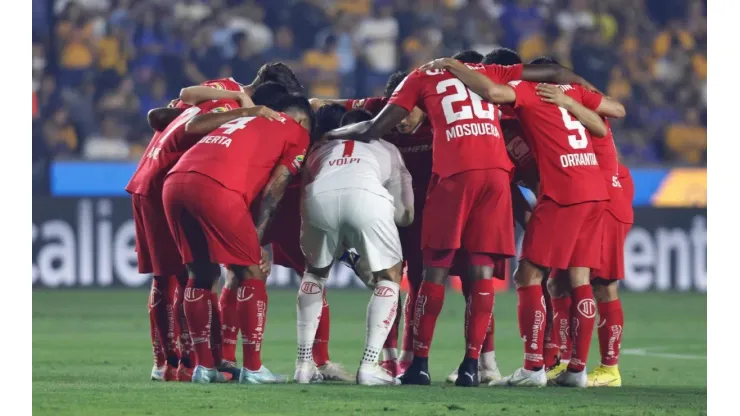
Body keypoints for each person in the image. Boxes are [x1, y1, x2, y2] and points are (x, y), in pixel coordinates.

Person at [325, 54, 594, 387]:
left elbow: (372, 128)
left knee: (434, 269)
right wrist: (585, 92)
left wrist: (330, 136)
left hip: (455, 174)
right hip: (496, 174)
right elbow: (553, 70)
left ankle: (419, 364)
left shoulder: (419, 78)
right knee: (481, 274)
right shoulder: (487, 71)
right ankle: (472, 366)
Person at [426, 55, 624, 387]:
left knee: (528, 274)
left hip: (564, 190)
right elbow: (609, 119)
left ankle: (533, 368)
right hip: (595, 190)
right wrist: (569, 101)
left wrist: (454, 67)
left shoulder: (526, 90)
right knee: (579, 278)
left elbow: (493, 93)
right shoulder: (569, 90)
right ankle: (577, 370)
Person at [162, 94, 313, 384]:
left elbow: (192, 127)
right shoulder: (297, 133)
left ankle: (204, 368)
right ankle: (254, 370)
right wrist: (256, 241)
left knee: (201, 274)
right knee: (251, 271)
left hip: (175, 182)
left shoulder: (247, 118)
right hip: (216, 186)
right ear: (303, 120)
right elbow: (275, 189)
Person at [126, 76, 258, 382]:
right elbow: (174, 109)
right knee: (192, 274)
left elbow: (160, 116)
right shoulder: (230, 95)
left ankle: (173, 362)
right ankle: (186, 362)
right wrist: (243, 104)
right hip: (164, 181)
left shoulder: (213, 99)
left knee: (175, 275)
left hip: (150, 175)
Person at [295, 109, 414, 386]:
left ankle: (303, 365)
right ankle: (370, 365)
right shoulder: (388, 147)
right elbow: (405, 215)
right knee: (389, 277)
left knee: (314, 274)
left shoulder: (320, 149)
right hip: (367, 198)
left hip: (317, 201)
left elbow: (304, 193)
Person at [261, 102, 355, 382]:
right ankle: (318, 362)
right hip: (295, 222)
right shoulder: (321, 153)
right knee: (315, 281)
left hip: (271, 218)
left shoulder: (294, 142)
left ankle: (224, 359)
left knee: (240, 278)